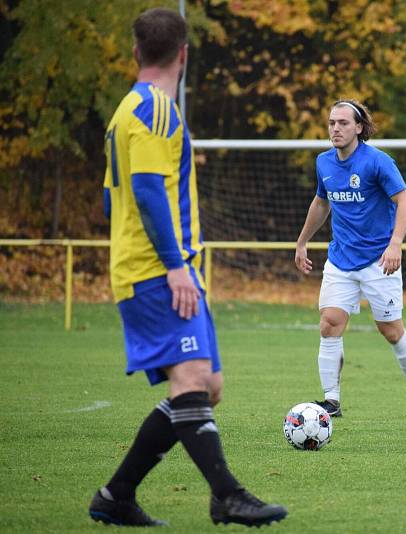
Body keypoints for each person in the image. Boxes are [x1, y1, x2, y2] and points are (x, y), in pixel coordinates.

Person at [89, 7, 287, 527]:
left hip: (160, 267)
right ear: (184, 54)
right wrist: (174, 266)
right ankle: (227, 495)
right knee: (193, 377)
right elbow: (149, 191)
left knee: (207, 387)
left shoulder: (125, 110)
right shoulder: (155, 109)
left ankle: (116, 496)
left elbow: (112, 202)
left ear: (136, 52)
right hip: (158, 270)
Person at [294, 99, 406, 419]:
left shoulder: (378, 162)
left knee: (391, 330)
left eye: (343, 123)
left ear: (359, 127)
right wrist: (302, 243)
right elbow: (320, 203)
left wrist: (395, 244)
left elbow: (405, 201)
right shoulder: (324, 163)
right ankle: (331, 401)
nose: (336, 129)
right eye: (331, 123)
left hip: (378, 260)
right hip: (340, 259)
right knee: (329, 323)